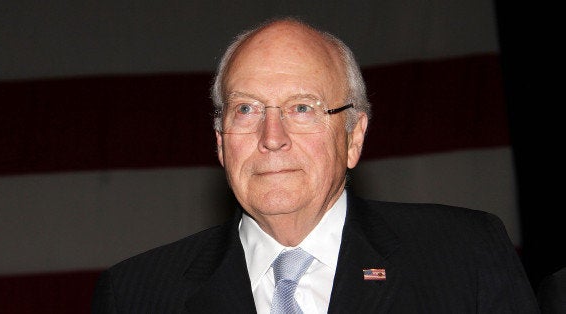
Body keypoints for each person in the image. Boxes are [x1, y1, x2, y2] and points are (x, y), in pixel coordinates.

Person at [91, 17, 539, 313]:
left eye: (302, 108)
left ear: (353, 137)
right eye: (246, 110)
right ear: (220, 143)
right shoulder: (138, 295)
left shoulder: (463, 257)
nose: (271, 138)